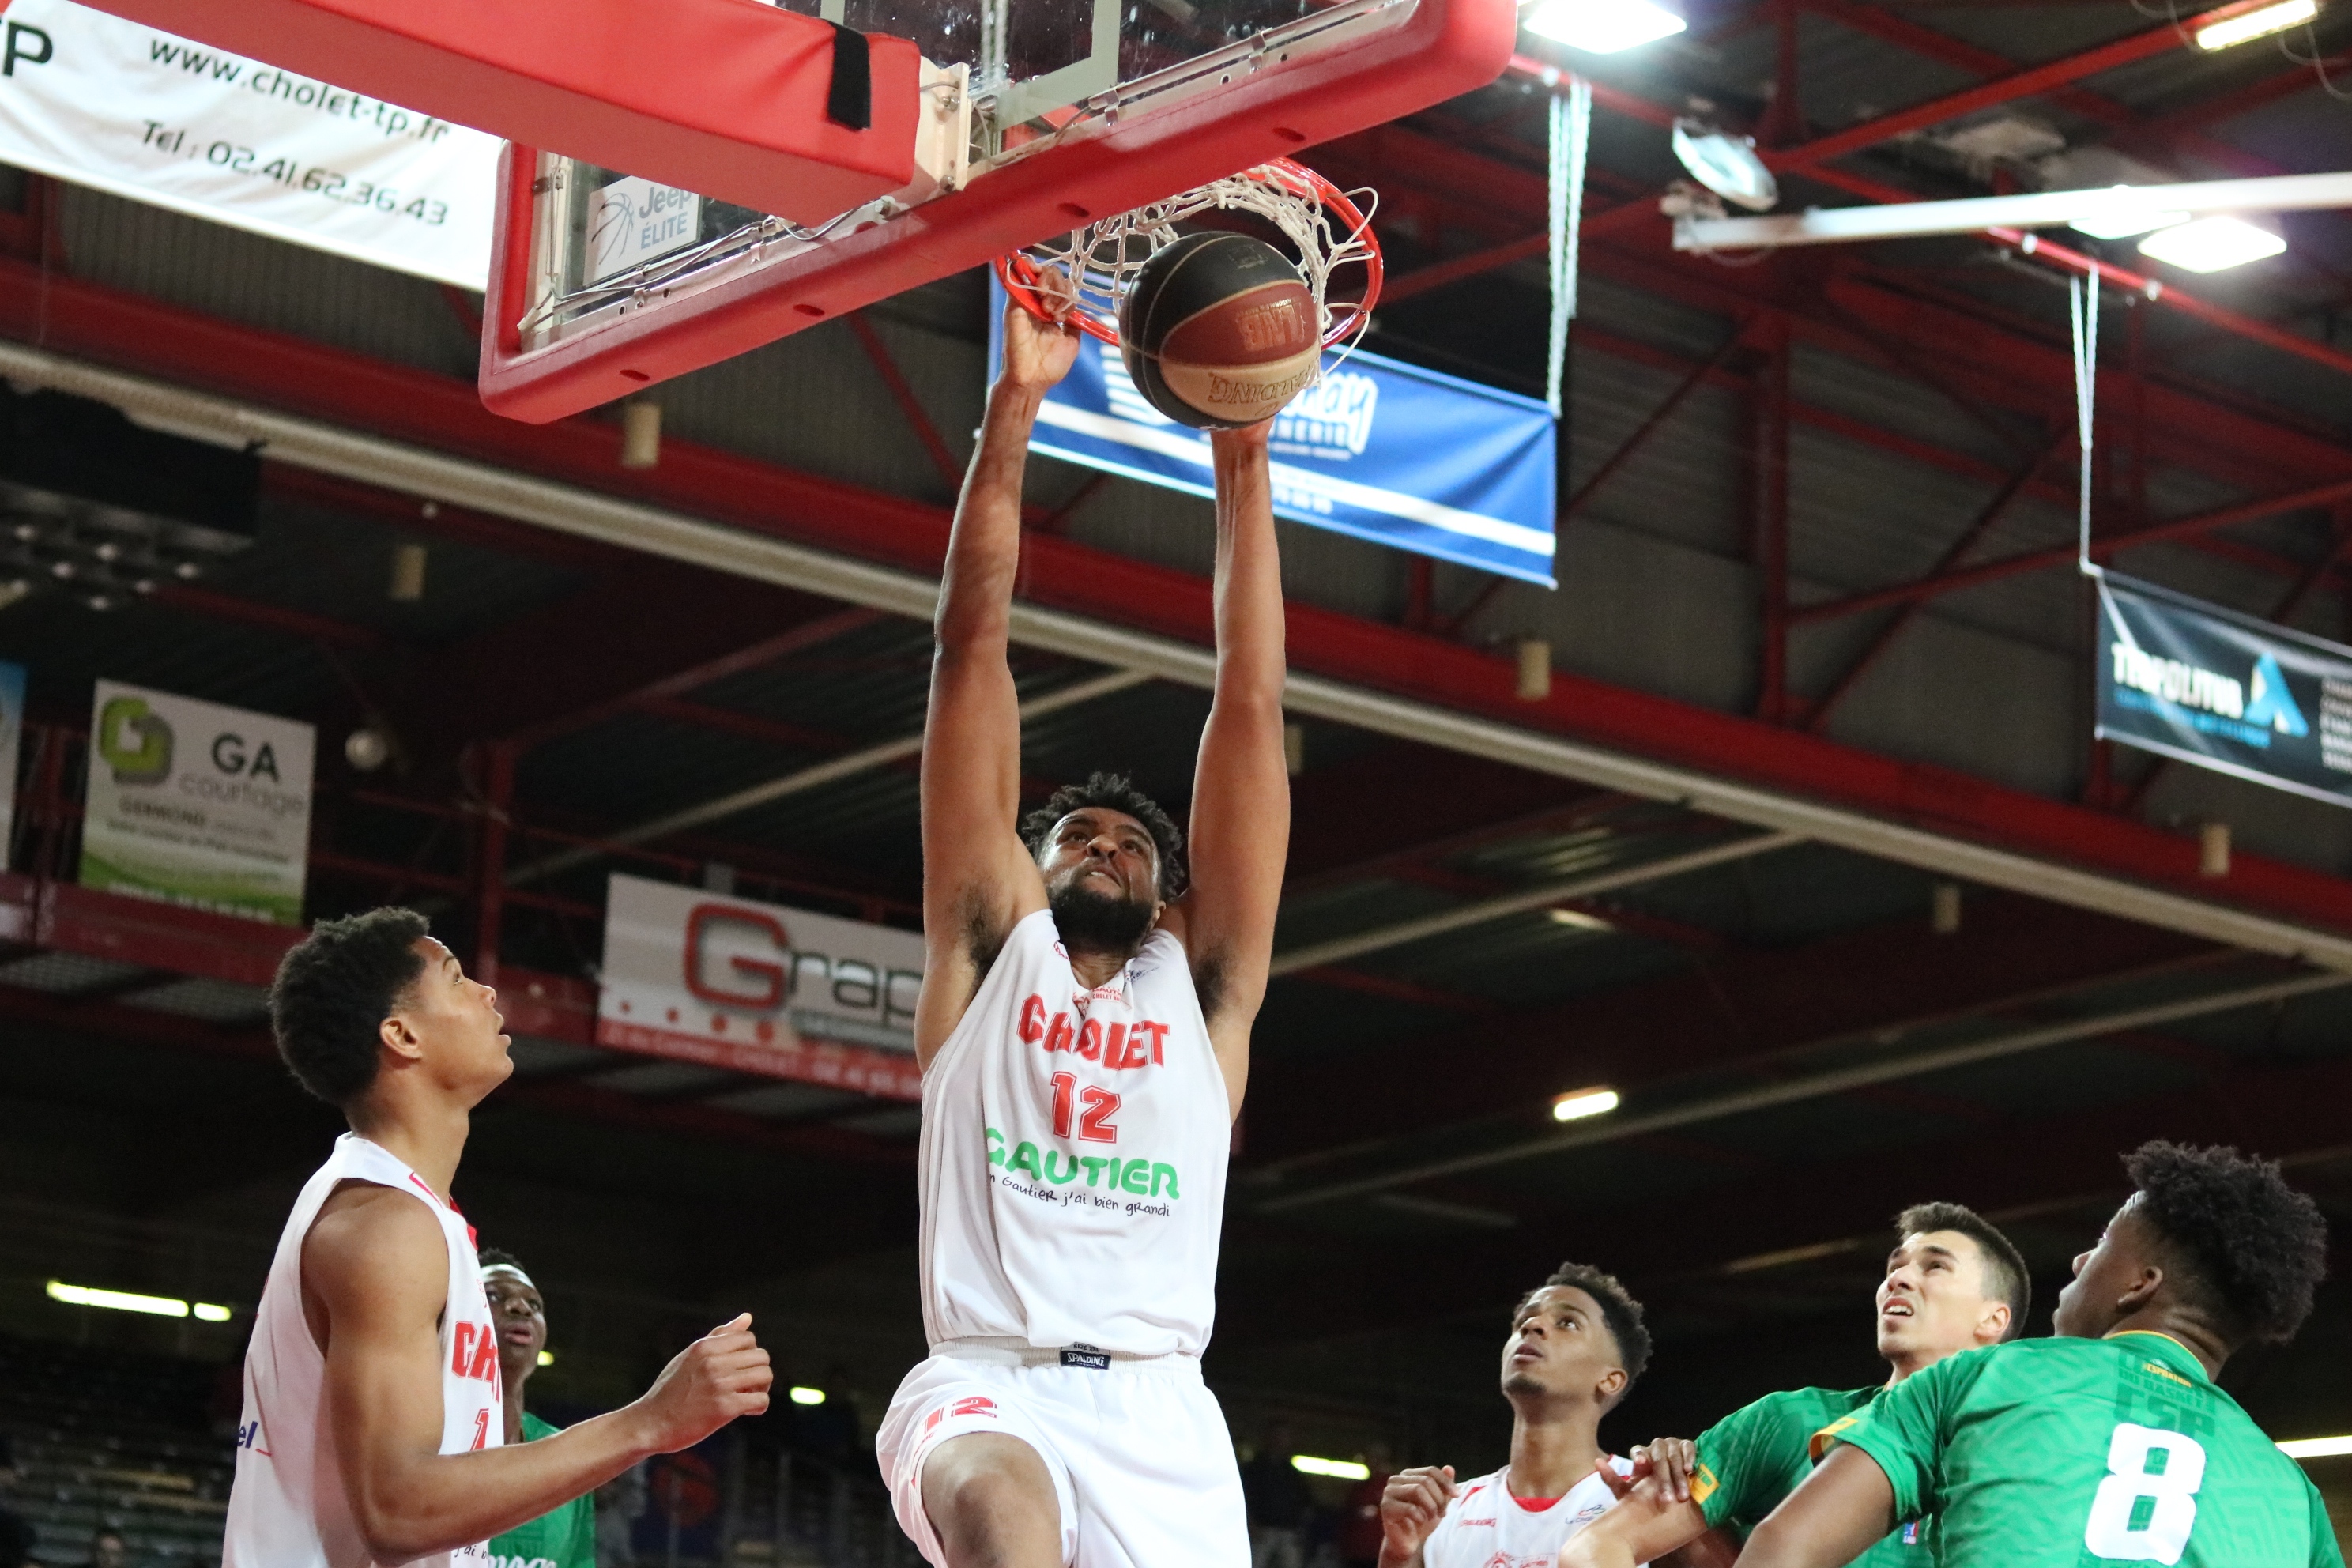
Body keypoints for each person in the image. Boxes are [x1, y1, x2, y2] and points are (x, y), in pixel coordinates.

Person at [874, 300, 1292, 1568]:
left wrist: (1242, 460)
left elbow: (1252, 701)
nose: (1106, 844)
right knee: (1006, 1519)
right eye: (1077, 835)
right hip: (987, 1381)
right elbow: (968, 655)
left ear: (1171, 895)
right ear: (1026, 868)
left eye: (1132, 841)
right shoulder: (993, 952)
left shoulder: (1204, 992)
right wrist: (1017, 410)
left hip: (1165, 1410)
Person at [226, 909, 773, 1568]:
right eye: (457, 979)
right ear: (401, 1035)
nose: (488, 993)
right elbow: (396, 1512)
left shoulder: (413, 1213)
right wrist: (649, 1421)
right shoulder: (385, 1230)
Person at [1732, 1142, 2338, 1568]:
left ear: (2139, 1286)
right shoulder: (2294, 1494)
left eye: (2101, 1244)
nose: (2078, 1262)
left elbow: (1785, 1548)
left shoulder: (1981, 1376)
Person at [1559, 1202, 2030, 1568]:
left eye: (1934, 1266)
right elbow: (1596, 1546)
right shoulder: (1790, 1421)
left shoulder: (2034, 1452)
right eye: (1894, 1267)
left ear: (1993, 1318)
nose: (1897, 1279)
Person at [1381, 1263, 1652, 1568]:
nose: (1532, 1327)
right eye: (1524, 1321)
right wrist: (1397, 1554)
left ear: (1610, 1379)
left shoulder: (1645, 1496)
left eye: (1568, 1323)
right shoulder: (1445, 1511)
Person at [479, 1250, 597, 1568]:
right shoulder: (423, 1437)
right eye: (493, 1295)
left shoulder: (567, 1457)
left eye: (535, 1305)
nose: (520, 1308)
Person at [1242, 1420, 1313, 1568]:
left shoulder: (1292, 1473)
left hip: (1288, 1532)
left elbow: (1305, 1502)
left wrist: (1300, 1529)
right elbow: (1243, 1498)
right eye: (1277, 1436)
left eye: (1284, 1437)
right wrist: (1250, 1523)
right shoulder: (1253, 1469)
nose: (1280, 1440)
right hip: (1261, 1532)